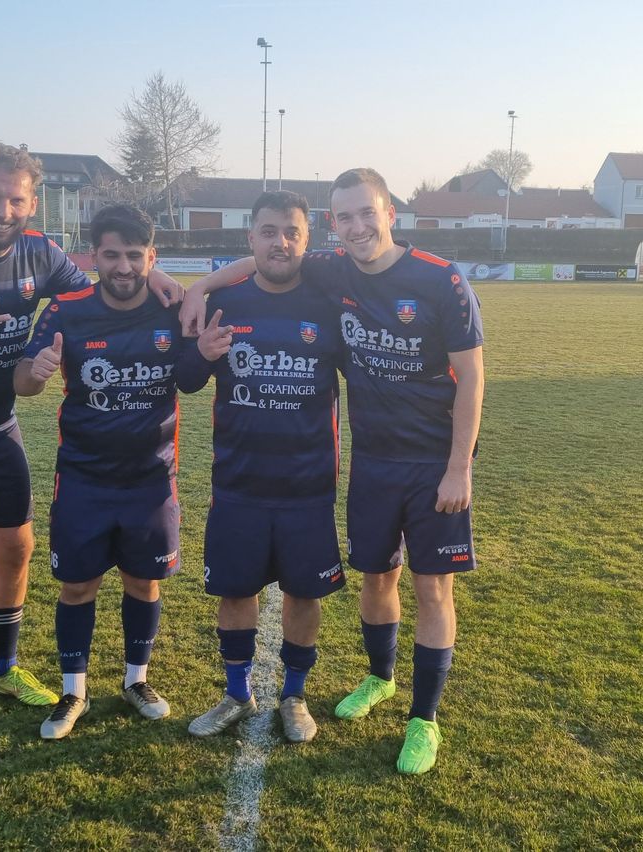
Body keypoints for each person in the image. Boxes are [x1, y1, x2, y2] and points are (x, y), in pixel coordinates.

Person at [181, 168, 484, 773]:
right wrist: (197, 287)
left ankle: (423, 721)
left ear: (389, 212)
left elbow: (472, 376)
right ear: (332, 226)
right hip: (370, 463)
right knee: (376, 579)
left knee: (431, 587)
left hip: (430, 464)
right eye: (344, 217)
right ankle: (379, 678)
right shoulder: (331, 269)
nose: (357, 226)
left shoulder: (439, 278)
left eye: (366, 213)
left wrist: (459, 467)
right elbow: (255, 268)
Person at [0, 143, 183, 760]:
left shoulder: (42, 253)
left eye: (16, 199)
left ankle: (2, 669)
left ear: (32, 203)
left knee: (15, 550)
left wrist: (157, 274)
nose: (3, 209)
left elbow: (104, 285)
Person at [13, 204, 191, 739]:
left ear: (151, 257)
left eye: (135, 256)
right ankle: (74, 691)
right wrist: (36, 372)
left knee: (144, 583)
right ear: (94, 257)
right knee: (77, 587)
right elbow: (22, 382)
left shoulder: (172, 309)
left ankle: (137, 680)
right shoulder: (66, 310)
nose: (123, 266)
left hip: (151, 481)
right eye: (111, 255)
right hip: (84, 478)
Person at [180, 191, 343, 743]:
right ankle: (236, 692)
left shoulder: (329, 300)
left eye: (291, 232)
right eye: (268, 232)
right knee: (235, 592)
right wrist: (200, 350)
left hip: (308, 484)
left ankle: (294, 695)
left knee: (304, 595)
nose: (281, 242)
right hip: (240, 483)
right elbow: (185, 379)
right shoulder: (227, 301)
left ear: (307, 239)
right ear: (250, 239)